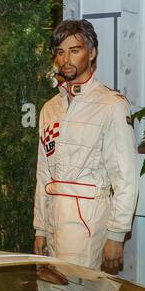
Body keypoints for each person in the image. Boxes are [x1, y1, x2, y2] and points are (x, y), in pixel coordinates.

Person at [32, 19, 138, 273]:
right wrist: (40, 229)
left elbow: (125, 176)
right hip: (53, 220)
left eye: (74, 50)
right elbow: (43, 173)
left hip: (89, 224)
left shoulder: (112, 105)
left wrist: (116, 235)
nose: (66, 59)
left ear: (92, 53)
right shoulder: (50, 108)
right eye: (60, 52)